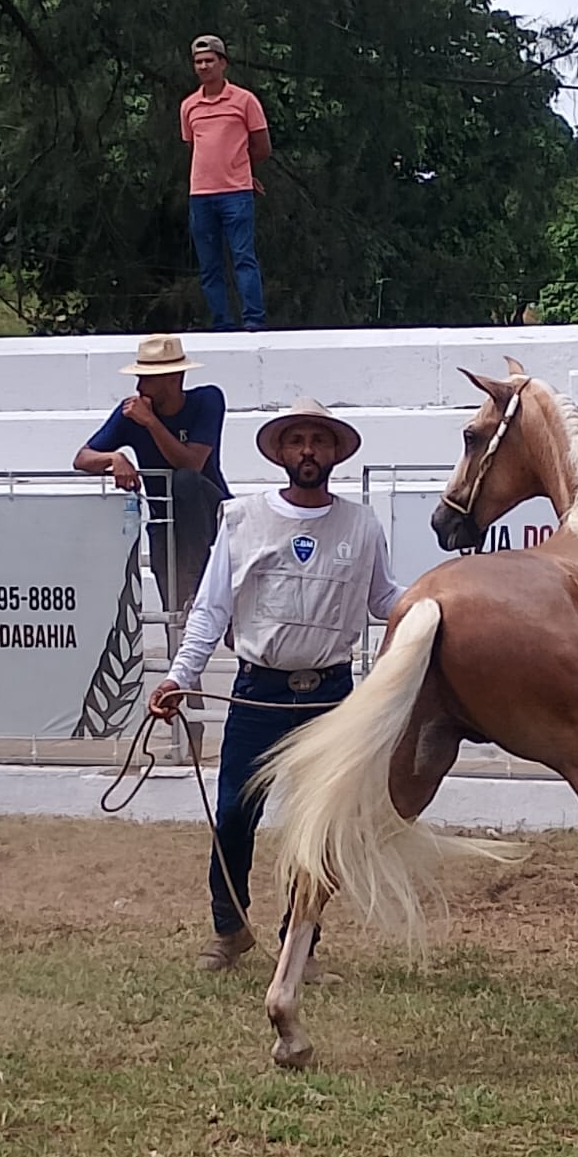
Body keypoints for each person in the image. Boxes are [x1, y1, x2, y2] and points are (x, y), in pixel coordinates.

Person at [147, 397, 404, 976]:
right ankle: (229, 928)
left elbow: (384, 600)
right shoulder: (240, 519)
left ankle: (300, 945)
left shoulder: (361, 525)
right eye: (297, 441)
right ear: (282, 452)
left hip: (331, 697)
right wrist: (177, 678)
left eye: (319, 440)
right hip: (257, 692)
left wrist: (438, 607)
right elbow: (211, 611)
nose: (308, 451)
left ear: (336, 452)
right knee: (235, 813)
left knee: (320, 827)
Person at [73, 334, 230, 752]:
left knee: (183, 482)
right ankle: (189, 723)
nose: (144, 384)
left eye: (154, 376)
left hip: (213, 520)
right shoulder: (132, 412)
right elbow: (81, 457)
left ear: (174, 378)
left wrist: (149, 424)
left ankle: (199, 590)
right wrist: (114, 458)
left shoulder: (207, 400)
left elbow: (192, 463)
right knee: (182, 627)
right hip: (168, 529)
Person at [181, 34, 270, 332]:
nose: (203, 66)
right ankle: (221, 323)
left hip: (236, 193)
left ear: (223, 63)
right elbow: (194, 146)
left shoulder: (245, 101)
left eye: (209, 60)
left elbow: (261, 146)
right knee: (209, 265)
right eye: (198, 62)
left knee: (243, 257)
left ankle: (253, 320)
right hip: (201, 195)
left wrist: (243, 170)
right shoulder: (189, 106)